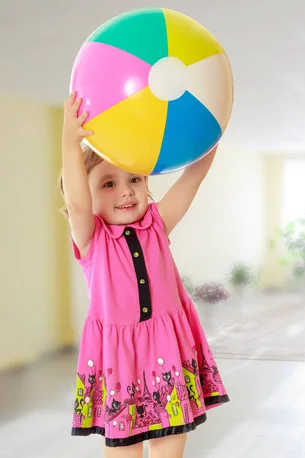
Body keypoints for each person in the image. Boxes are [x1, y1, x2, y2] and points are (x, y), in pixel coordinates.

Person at [60, 92, 229, 457]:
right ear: (90, 197)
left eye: (134, 179)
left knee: (171, 438)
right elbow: (76, 201)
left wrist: (211, 130)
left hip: (166, 348)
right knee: (125, 445)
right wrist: (70, 142)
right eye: (109, 183)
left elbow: (191, 179)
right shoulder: (93, 239)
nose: (126, 191)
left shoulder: (156, 224)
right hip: (119, 358)